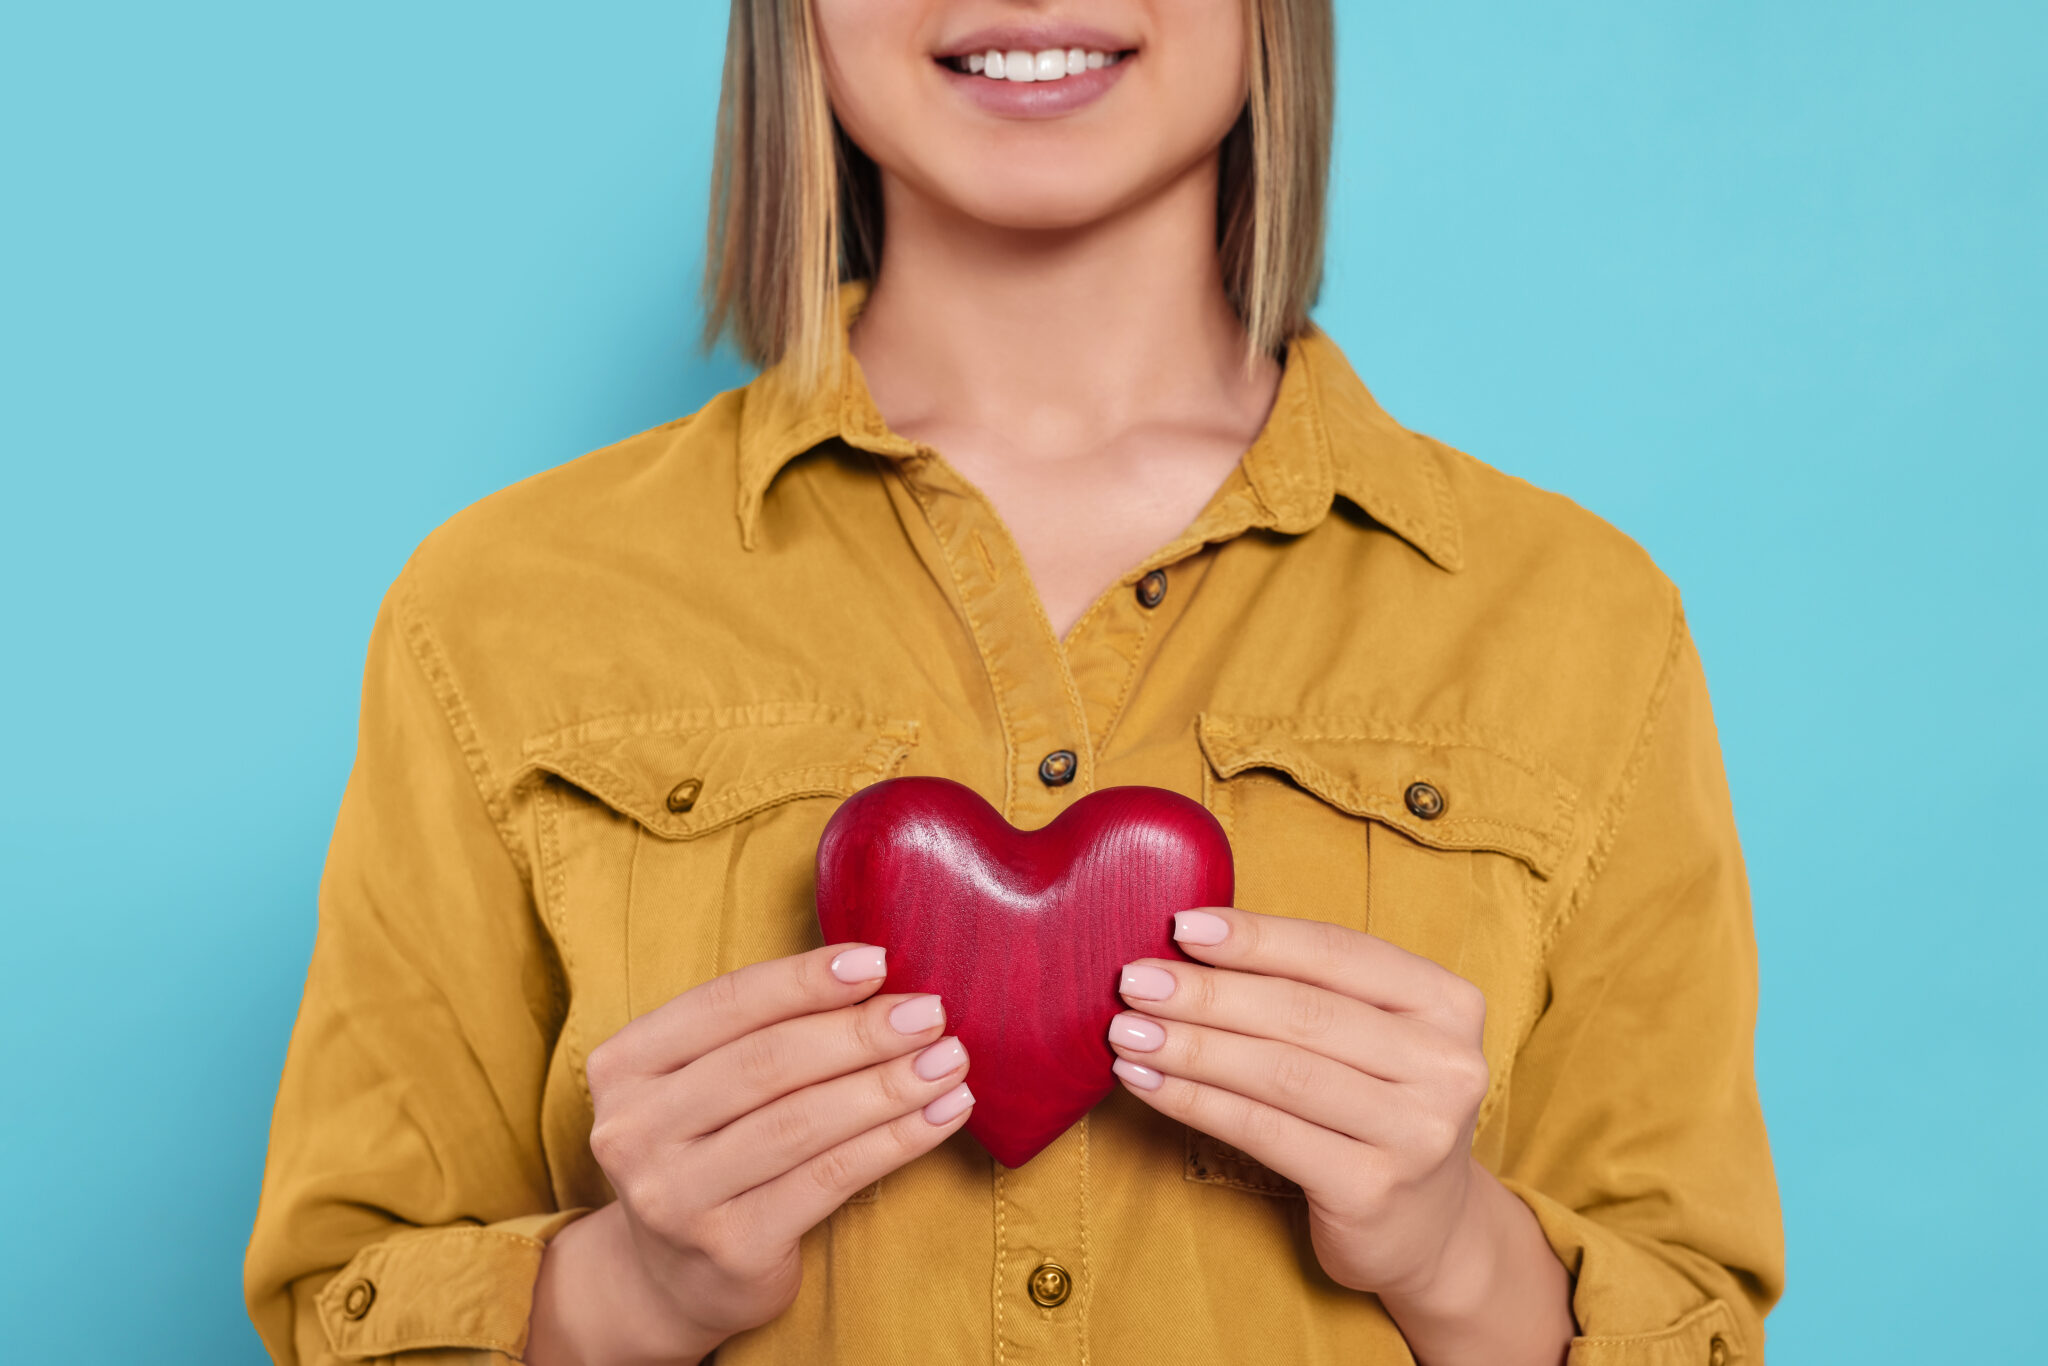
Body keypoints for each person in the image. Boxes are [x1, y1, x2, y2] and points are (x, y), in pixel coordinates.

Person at [244, 2, 1784, 1363]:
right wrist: (628, 1292)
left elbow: (1695, 1313)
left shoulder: (1581, 622)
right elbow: (343, 1308)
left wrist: (1453, 1249)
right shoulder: (500, 610)